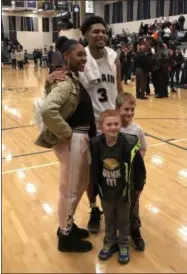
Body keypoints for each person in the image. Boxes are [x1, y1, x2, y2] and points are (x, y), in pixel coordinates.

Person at [45, 15, 124, 234]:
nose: (101, 35)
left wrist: (123, 112)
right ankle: (93, 209)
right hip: (89, 125)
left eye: (104, 31)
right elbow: (63, 76)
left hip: (111, 123)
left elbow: (118, 86)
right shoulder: (81, 55)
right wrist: (50, 77)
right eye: (96, 31)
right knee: (90, 173)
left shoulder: (114, 56)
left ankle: (113, 209)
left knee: (113, 169)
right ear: (86, 35)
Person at [35, 39, 96, 253]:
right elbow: (48, 110)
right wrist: (67, 133)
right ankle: (65, 236)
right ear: (67, 56)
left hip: (81, 139)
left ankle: (67, 225)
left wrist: (47, 82)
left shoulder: (72, 78)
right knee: (70, 189)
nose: (84, 58)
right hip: (74, 139)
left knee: (82, 183)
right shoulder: (64, 81)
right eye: (80, 55)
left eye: (85, 55)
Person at [90, 109, 146, 264]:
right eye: (109, 124)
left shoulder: (129, 144)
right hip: (106, 191)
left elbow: (139, 167)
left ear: (121, 125)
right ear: (101, 127)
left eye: (116, 124)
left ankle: (123, 245)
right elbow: (94, 168)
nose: (113, 127)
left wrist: (139, 185)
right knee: (109, 219)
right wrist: (93, 189)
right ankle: (110, 242)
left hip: (124, 192)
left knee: (123, 220)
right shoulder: (96, 144)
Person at [115, 92, 147, 251]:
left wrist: (135, 168)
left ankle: (135, 230)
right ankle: (116, 232)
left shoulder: (137, 129)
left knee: (133, 204)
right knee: (116, 203)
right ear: (117, 109)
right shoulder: (113, 127)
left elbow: (143, 148)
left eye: (132, 109)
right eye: (126, 109)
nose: (130, 113)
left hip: (132, 177)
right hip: (116, 175)